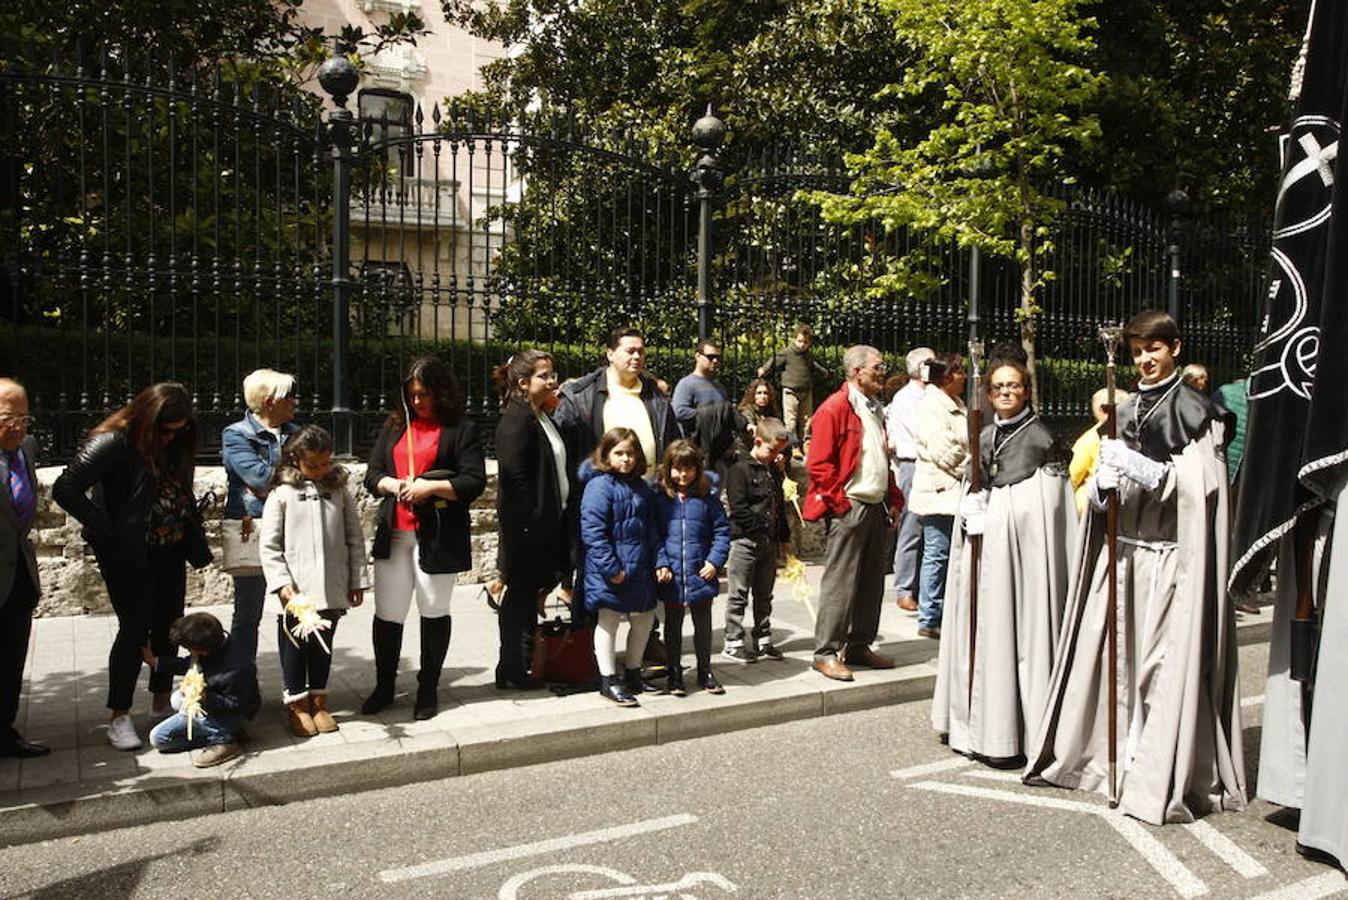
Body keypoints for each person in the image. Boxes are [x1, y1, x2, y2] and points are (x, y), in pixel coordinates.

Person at [1025, 310, 1245, 825]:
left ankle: (1156, 770)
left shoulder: (1198, 410)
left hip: (1169, 560)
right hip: (1121, 553)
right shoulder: (1123, 409)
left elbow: (1204, 490)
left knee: (1156, 668)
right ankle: (1114, 761)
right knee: (1113, 661)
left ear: (1175, 347)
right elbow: (1107, 488)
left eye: (1154, 349)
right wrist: (1104, 489)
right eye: (1137, 351)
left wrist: (1145, 470)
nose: (1145, 359)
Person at [53, 383, 212, 752]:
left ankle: (160, 704)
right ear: (147, 418)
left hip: (169, 547)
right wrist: (108, 528)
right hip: (128, 553)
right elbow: (66, 488)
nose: (172, 437)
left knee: (171, 624)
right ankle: (119, 715)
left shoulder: (177, 442)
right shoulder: (115, 440)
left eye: (180, 430)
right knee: (135, 627)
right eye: (166, 429)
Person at [931, 360, 1073, 764]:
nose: (1006, 393)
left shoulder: (1042, 441)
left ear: (1026, 391)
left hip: (1021, 570)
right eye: (998, 388)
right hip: (983, 560)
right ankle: (974, 725)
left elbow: (1045, 515)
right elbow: (970, 491)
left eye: (1013, 386)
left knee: (1017, 637)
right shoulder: (985, 436)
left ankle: (1011, 735)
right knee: (980, 634)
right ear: (989, 395)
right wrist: (968, 509)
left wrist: (994, 517)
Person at [362, 357, 486, 720]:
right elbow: (372, 473)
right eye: (412, 395)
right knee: (387, 612)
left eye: (425, 395)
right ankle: (384, 686)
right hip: (395, 531)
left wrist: (429, 487)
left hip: (437, 535)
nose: (418, 402)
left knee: (433, 609)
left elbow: (473, 480)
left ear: (442, 393)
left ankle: (427, 688)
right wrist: (392, 484)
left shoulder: (460, 429)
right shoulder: (396, 425)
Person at [556, 326, 679, 662]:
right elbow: (564, 449)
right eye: (629, 350)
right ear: (610, 354)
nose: (637, 356)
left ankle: (648, 641)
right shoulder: (581, 395)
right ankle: (590, 651)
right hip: (601, 501)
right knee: (598, 577)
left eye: (641, 350)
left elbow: (672, 445)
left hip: (646, 498)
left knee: (644, 574)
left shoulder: (655, 397)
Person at [802, 345, 904, 681]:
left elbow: (878, 458)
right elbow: (818, 464)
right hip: (851, 506)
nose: (883, 371)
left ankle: (859, 645)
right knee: (840, 583)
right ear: (856, 371)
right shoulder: (834, 408)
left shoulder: (872, 409)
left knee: (871, 582)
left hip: (873, 505)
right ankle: (826, 652)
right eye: (878, 366)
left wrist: (892, 497)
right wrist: (841, 504)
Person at [260, 425, 367, 737]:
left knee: (323, 646)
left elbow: (354, 538)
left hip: (331, 585)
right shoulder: (282, 495)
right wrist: (281, 584)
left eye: (324, 464)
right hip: (295, 591)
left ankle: (319, 701)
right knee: (295, 648)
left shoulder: (338, 492)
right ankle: (297, 704)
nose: (320, 471)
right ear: (296, 461)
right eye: (312, 466)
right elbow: (269, 545)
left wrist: (357, 578)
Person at [492, 350, 572, 690]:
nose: (552, 381)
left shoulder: (540, 415)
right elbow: (514, 479)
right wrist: (530, 524)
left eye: (552, 374)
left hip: (546, 523)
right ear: (524, 384)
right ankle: (512, 666)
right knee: (520, 597)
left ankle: (520, 663)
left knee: (528, 595)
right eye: (544, 376)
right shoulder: (516, 419)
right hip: (528, 527)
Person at [220, 368, 300, 671]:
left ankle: (295, 683)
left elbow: (319, 473)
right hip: (252, 527)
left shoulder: (298, 433)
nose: (294, 401)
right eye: (288, 396)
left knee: (295, 609)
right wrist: (297, 474)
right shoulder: (236, 434)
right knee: (247, 614)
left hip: (294, 529)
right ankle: (241, 683)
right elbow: (260, 478)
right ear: (269, 401)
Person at [578, 427, 663, 706]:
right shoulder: (599, 486)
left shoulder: (642, 487)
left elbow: (651, 529)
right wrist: (611, 568)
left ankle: (634, 673)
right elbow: (593, 532)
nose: (625, 459)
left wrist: (659, 560)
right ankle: (608, 680)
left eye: (630, 453)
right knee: (609, 620)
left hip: (640, 566)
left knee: (644, 619)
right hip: (612, 569)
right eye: (619, 453)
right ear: (606, 455)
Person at [652, 440, 731, 695]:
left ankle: (705, 670)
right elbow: (654, 535)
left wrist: (714, 561)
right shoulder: (661, 500)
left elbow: (722, 531)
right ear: (668, 469)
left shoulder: (708, 499)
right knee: (673, 627)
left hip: (700, 573)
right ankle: (674, 672)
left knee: (703, 626)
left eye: (688, 469)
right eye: (677, 469)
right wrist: (661, 562)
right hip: (673, 576)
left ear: (697, 469)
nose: (683, 475)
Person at [0, 378, 47, 758]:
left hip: (17, 577)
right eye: (6, 418)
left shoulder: (27, 448)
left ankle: (5, 731)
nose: (17, 426)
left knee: (12, 659)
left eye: (23, 417)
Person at [145, 612, 260, 768]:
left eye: (189, 648)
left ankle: (224, 739)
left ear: (204, 651)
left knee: (159, 738)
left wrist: (206, 698)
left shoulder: (237, 668)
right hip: (212, 702)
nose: (189, 652)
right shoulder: (212, 646)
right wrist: (156, 662)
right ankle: (231, 732)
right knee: (176, 699)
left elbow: (238, 706)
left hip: (231, 713)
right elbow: (187, 664)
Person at [908, 353, 969, 639]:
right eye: (960, 372)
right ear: (947, 377)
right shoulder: (933, 406)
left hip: (953, 489)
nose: (965, 377)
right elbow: (945, 450)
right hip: (940, 490)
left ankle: (942, 611)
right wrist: (972, 464)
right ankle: (930, 616)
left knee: (947, 553)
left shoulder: (955, 404)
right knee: (937, 552)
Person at [722, 418, 790, 665]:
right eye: (772, 450)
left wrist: (783, 537)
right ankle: (733, 641)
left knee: (765, 594)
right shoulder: (739, 470)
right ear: (758, 441)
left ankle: (763, 638)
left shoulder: (773, 470)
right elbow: (738, 508)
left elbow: (778, 505)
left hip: (768, 543)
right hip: (745, 541)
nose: (775, 456)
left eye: (779, 452)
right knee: (738, 593)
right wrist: (757, 531)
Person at [885, 347, 934, 613]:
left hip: (930, 464)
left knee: (932, 531)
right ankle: (904, 588)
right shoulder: (906, 399)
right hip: (913, 465)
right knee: (911, 528)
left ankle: (921, 587)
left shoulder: (932, 395)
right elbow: (923, 432)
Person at [758, 323, 831, 444]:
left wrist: (824, 372)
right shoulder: (787, 352)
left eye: (806, 342)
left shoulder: (808, 355)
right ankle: (793, 445)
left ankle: (806, 443)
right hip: (790, 390)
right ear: (794, 339)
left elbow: (814, 365)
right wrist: (764, 369)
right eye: (800, 341)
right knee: (790, 420)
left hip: (806, 390)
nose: (802, 345)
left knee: (807, 420)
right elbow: (775, 360)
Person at [1069, 387, 1132, 516]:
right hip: (1093, 509)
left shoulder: (1132, 434)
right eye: (1106, 408)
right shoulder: (1091, 439)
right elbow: (1072, 478)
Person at [671, 340, 729, 435]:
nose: (715, 361)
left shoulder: (720, 387)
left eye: (718, 357)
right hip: (695, 443)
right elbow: (679, 412)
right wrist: (709, 414)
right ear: (697, 356)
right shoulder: (686, 384)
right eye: (710, 357)